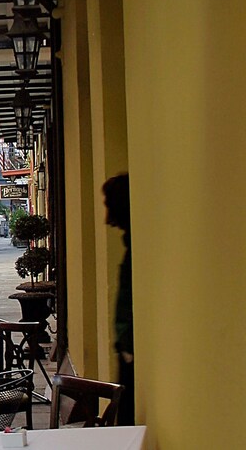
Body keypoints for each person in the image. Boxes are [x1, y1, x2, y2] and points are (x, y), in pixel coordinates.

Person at [103, 173, 134, 426]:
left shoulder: (139, 249)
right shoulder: (134, 246)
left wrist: (128, 349)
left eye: (110, 208)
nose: (108, 220)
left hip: (132, 354)